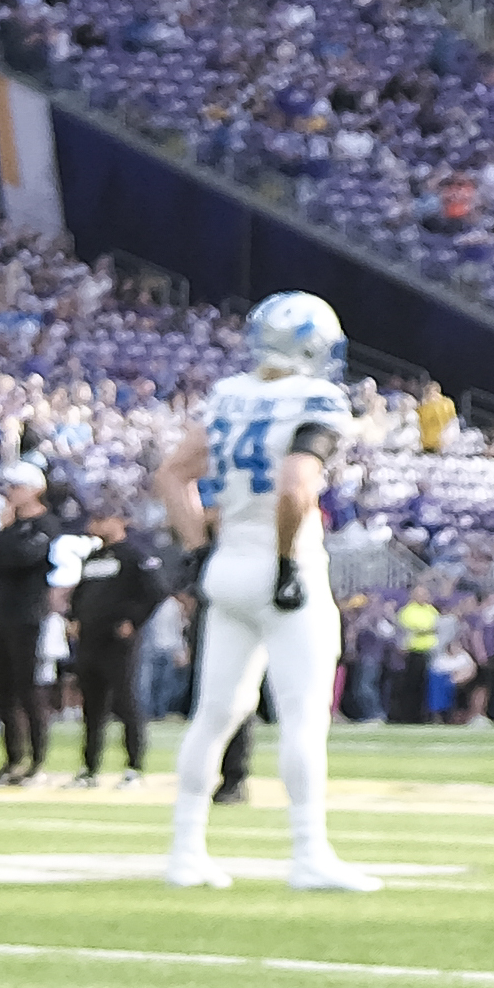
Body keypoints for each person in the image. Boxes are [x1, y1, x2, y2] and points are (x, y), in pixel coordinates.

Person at [160, 290, 373, 891]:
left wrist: (199, 548)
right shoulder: (318, 399)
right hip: (285, 566)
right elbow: (296, 487)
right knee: (304, 719)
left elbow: (173, 474)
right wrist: (284, 562)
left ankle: (185, 850)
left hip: (228, 564)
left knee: (213, 716)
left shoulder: (229, 395)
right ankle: (308, 853)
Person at [0, 486, 61, 791]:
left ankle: (37, 762)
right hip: (2, 616)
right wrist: (7, 534)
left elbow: (27, 556)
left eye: (17, 487)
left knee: (30, 691)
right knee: (3, 692)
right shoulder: (10, 529)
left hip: (28, 617)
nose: (11, 494)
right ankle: (13, 760)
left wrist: (7, 540)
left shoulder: (47, 525)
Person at [75, 520, 167, 787]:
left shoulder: (134, 555)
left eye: (103, 519)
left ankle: (134, 767)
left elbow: (156, 590)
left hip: (117, 642)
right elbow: (82, 594)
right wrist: (74, 617)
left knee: (126, 703)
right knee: (92, 708)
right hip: (89, 640)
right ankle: (90, 768)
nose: (94, 524)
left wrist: (133, 620)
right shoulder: (93, 558)